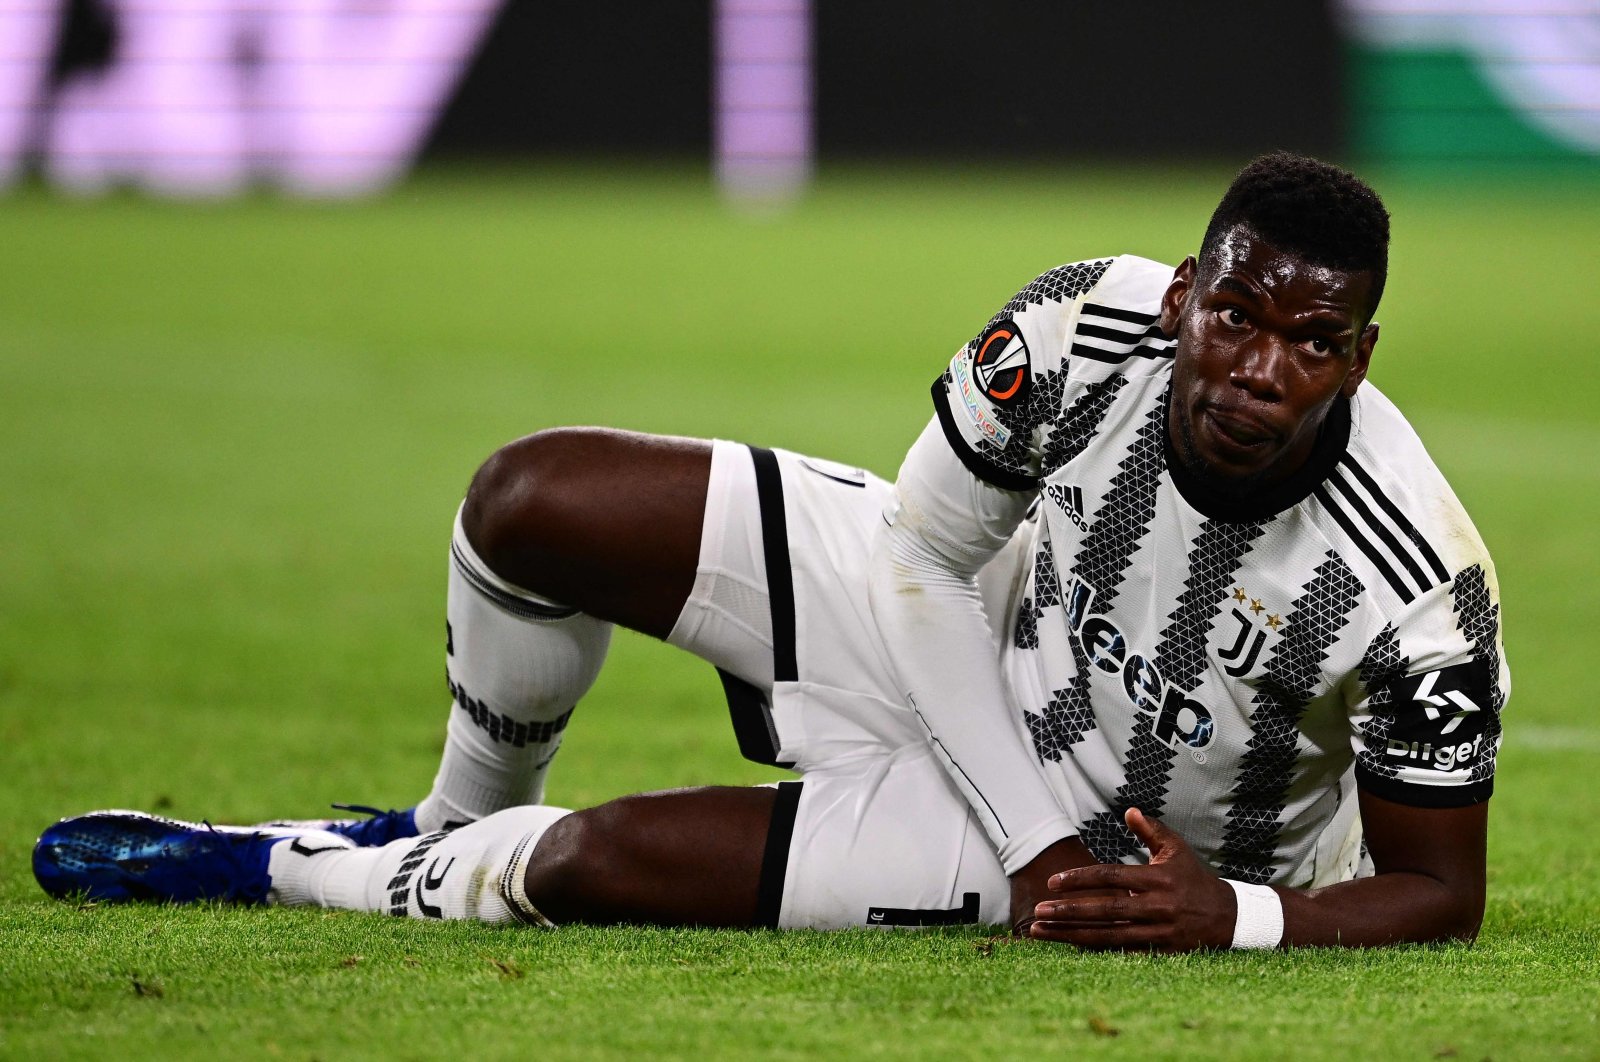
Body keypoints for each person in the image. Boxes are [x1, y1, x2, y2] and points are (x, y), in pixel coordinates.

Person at [34, 152, 1507, 952]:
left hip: (1123, 851)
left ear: (1360, 353)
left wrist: (1232, 914)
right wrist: (1029, 817)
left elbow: (1442, 892)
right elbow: (925, 558)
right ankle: (438, 814)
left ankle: (286, 872)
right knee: (530, 500)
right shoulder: (1082, 323)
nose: (1263, 367)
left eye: (1314, 342)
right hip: (984, 631)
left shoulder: (1418, 583)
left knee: (598, 861)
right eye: (1239, 317)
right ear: (1186, 295)